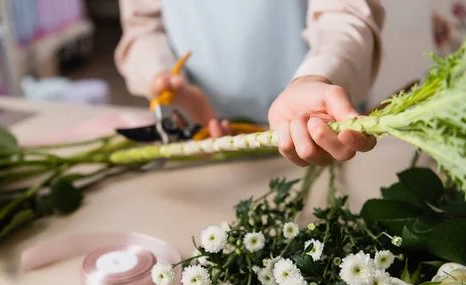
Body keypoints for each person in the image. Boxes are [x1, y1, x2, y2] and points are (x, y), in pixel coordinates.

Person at [114, 0, 386, 167]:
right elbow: (143, 27)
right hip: (203, 136)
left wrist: (314, 76)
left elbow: (344, 12)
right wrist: (162, 77)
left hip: (316, 124)